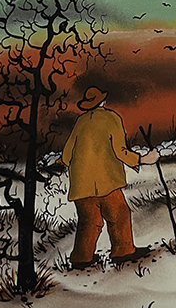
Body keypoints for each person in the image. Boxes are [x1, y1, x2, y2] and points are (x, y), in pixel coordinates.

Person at [61, 86, 159, 269]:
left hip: (81, 185)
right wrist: (143, 159)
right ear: (103, 102)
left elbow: (67, 156)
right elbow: (120, 151)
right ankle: (123, 251)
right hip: (106, 182)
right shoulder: (112, 118)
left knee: (89, 222)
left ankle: (81, 258)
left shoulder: (80, 122)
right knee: (119, 215)